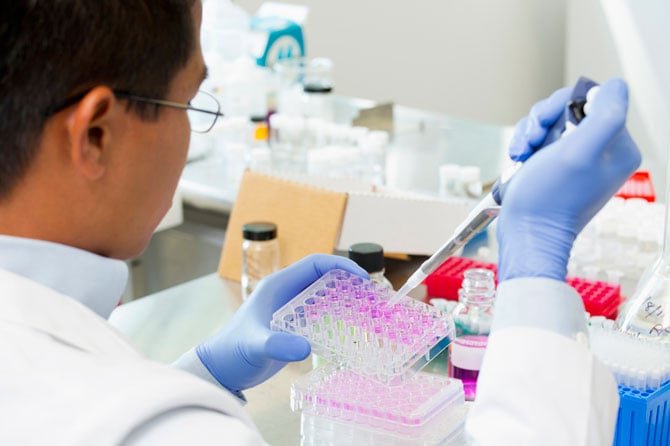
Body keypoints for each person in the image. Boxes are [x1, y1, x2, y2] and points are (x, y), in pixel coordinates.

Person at [0, 1, 640, 445]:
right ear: (95, 135)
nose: (194, 125)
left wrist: (201, 376)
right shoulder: (162, 428)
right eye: (191, 101)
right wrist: (534, 266)